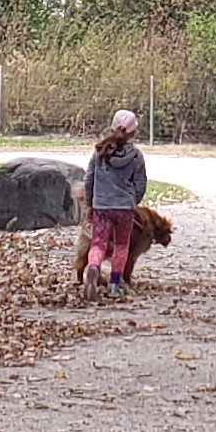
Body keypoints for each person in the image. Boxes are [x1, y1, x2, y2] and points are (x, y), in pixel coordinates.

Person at [80, 109, 149, 297]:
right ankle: (114, 284)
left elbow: (89, 179)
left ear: (112, 128)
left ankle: (93, 268)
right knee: (121, 245)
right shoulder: (136, 156)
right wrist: (133, 201)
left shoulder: (99, 152)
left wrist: (91, 203)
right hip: (124, 208)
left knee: (98, 243)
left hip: (101, 206)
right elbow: (140, 184)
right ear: (133, 132)